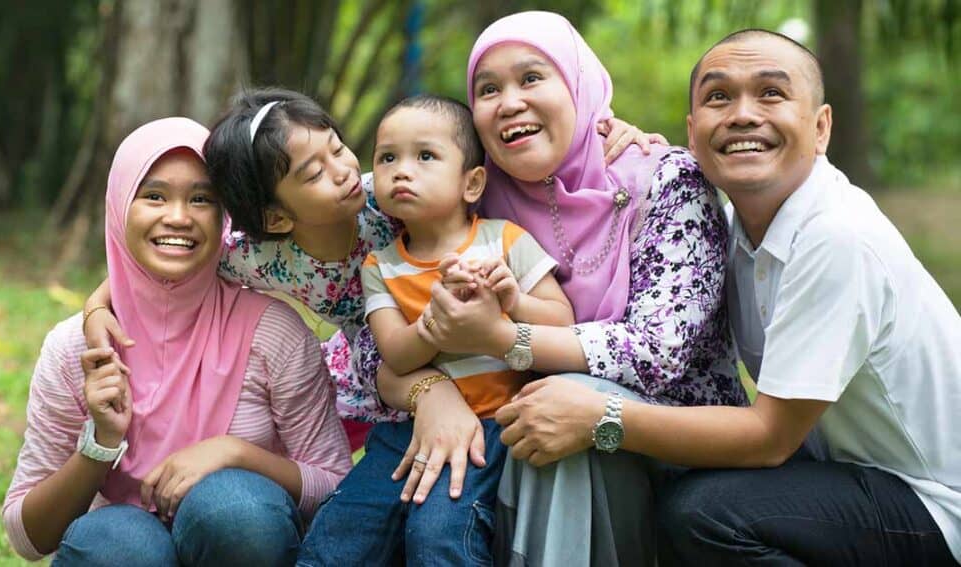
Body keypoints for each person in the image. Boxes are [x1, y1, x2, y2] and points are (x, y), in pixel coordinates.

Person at [495, 28, 960, 566]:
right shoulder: (740, 228)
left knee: (706, 515)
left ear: (821, 126)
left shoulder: (836, 235)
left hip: (933, 503)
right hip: (845, 477)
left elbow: (768, 439)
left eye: (771, 93)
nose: (742, 115)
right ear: (692, 135)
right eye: (719, 97)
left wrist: (602, 417)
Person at [81, 89, 659, 449]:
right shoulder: (258, 253)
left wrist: (613, 132)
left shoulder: (389, 200)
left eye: (337, 148)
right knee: (332, 456)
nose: (341, 170)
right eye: (313, 173)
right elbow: (177, 254)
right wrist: (94, 308)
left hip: (453, 341)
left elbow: (467, 157)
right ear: (277, 218)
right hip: (371, 358)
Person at [375, 11, 749, 566]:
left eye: (531, 78)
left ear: (580, 86)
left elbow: (656, 354)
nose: (508, 101)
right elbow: (334, 207)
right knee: (540, 410)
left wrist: (503, 337)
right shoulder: (470, 194)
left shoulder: (665, 180)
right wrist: (433, 393)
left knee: (564, 395)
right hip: (522, 442)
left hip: (676, 457)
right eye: (488, 89)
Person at [2, 117, 351, 565]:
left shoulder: (271, 332)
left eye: (202, 198)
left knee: (232, 511)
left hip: (241, 539)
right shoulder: (77, 348)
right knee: (119, 546)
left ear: (223, 215)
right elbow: (28, 537)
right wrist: (101, 444)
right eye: (154, 195)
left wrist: (235, 455)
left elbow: (335, 482)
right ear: (118, 206)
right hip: (124, 548)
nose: (179, 217)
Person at [298, 95, 575, 565]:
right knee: (341, 533)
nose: (402, 170)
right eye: (388, 157)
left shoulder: (502, 241)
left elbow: (563, 322)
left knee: (439, 535)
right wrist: (434, 323)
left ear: (472, 183)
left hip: (490, 426)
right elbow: (397, 355)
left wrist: (513, 300)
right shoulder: (380, 266)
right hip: (406, 427)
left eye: (425, 156)